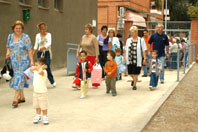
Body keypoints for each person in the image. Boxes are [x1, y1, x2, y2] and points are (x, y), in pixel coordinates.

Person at [5, 20, 34, 108]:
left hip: (23, 61)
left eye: (20, 28)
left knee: (18, 77)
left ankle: (15, 99)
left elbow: (30, 50)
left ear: (22, 29)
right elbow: (7, 46)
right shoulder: (10, 36)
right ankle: (22, 97)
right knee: (17, 78)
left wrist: (32, 61)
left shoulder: (26, 37)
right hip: (13, 62)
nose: (18, 30)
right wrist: (7, 52)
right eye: (16, 28)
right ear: (13, 29)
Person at [33, 22, 56, 87]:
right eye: (42, 29)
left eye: (45, 29)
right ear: (40, 29)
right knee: (40, 67)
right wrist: (33, 53)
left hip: (47, 52)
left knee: (47, 66)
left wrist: (44, 47)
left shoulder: (49, 35)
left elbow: (49, 43)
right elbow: (35, 45)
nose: (44, 30)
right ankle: (41, 82)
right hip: (40, 53)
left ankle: (52, 81)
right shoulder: (37, 35)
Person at [124, 26, 147, 90]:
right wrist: (124, 57)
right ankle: (135, 79)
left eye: (132, 32)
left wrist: (144, 59)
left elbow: (143, 50)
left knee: (135, 72)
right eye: (130, 32)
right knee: (130, 73)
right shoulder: (128, 40)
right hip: (130, 58)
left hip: (137, 59)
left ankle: (134, 85)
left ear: (136, 32)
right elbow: (126, 49)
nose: (131, 33)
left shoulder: (141, 40)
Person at [30, 58, 49, 125]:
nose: (35, 66)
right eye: (35, 65)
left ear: (43, 66)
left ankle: (45, 116)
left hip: (42, 92)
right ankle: (38, 115)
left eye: (37, 65)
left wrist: (42, 68)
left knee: (44, 105)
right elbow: (31, 69)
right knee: (37, 105)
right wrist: (35, 67)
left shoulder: (44, 72)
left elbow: (41, 72)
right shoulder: (35, 71)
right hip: (36, 92)